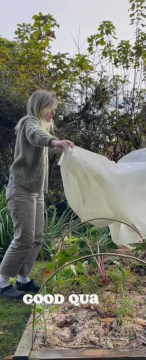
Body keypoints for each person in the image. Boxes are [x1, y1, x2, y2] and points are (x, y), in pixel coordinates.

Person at [0, 89, 74, 300]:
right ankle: (2, 283)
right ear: (41, 107)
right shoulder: (29, 122)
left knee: (36, 239)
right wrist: (54, 142)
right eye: (51, 109)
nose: (53, 113)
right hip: (21, 189)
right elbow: (36, 135)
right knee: (23, 238)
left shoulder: (40, 125)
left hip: (35, 192)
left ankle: (24, 279)